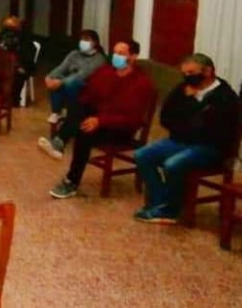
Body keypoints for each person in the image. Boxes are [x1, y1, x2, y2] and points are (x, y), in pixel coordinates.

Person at [133, 54, 240, 224]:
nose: (187, 77)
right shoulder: (181, 90)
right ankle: (159, 202)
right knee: (142, 155)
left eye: (191, 73)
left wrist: (189, 108)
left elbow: (209, 129)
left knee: (172, 164)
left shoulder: (225, 97)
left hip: (210, 148)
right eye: (185, 73)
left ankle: (171, 210)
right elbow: (166, 117)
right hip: (180, 141)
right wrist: (190, 119)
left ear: (207, 71)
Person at [46, 40, 155, 198]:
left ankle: (71, 181)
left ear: (133, 56)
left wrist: (99, 121)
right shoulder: (105, 72)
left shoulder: (141, 83)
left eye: (121, 53)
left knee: (84, 132)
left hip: (120, 128)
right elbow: (87, 95)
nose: (116, 56)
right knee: (77, 104)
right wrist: (82, 110)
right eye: (114, 52)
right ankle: (60, 141)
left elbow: (130, 118)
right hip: (98, 116)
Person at [44, 29, 107, 125]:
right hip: (68, 81)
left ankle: (72, 113)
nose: (83, 42)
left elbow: (83, 74)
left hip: (87, 84)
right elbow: (61, 68)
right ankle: (56, 112)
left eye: (87, 40)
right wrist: (49, 77)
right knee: (56, 79)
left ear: (95, 42)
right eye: (82, 39)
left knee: (72, 82)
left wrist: (61, 82)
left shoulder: (99, 58)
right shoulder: (74, 54)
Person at [0, 16, 37, 106]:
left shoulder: (25, 38)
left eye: (12, 26)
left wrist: (18, 65)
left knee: (17, 74)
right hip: (3, 65)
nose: (9, 29)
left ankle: (13, 99)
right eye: (7, 26)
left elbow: (28, 55)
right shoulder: (1, 36)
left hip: (21, 65)